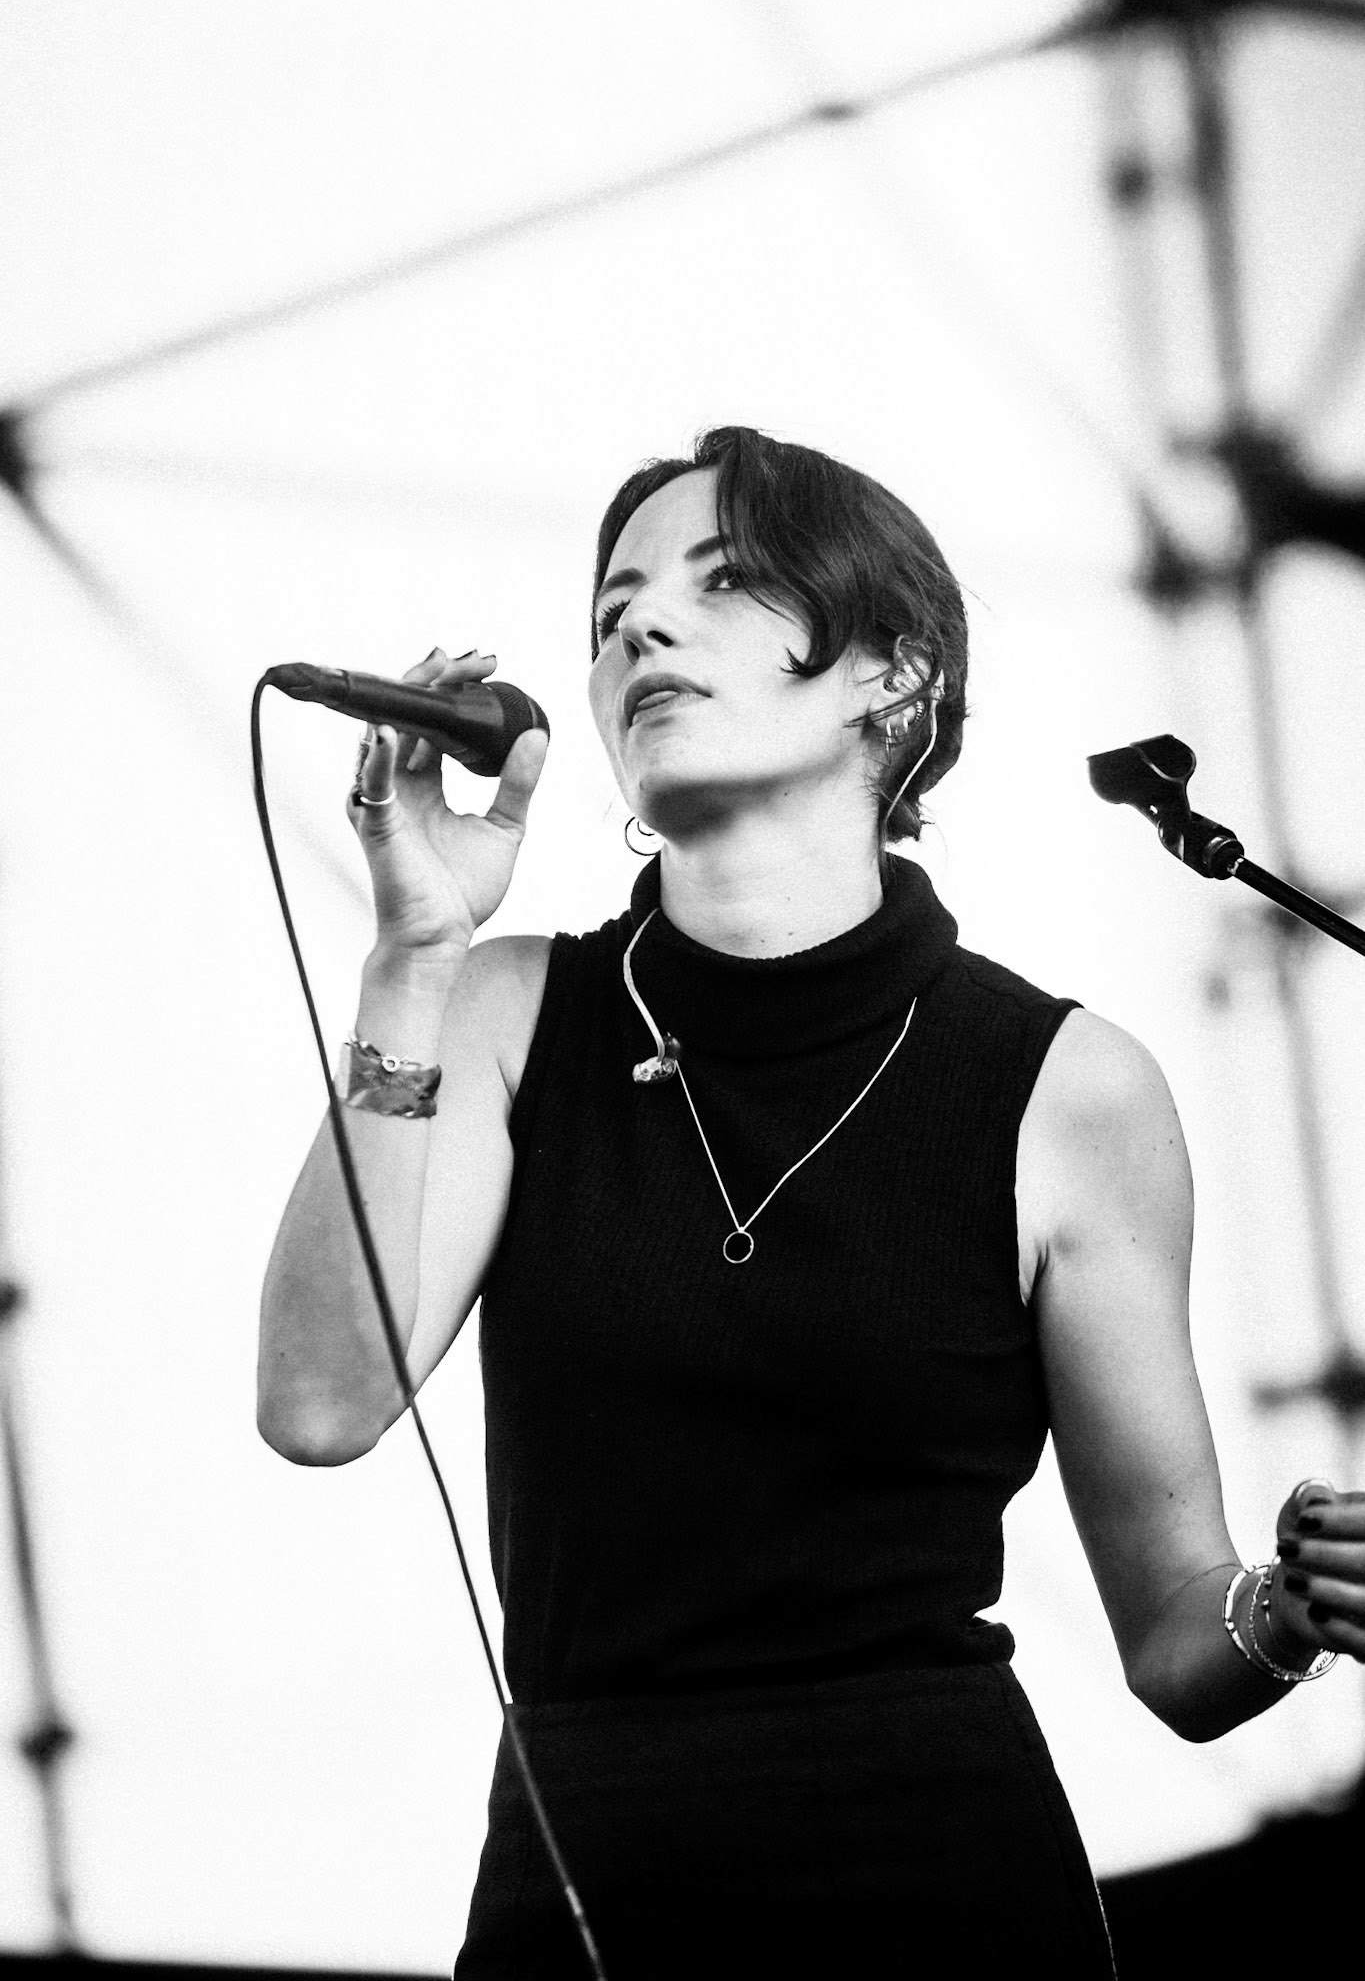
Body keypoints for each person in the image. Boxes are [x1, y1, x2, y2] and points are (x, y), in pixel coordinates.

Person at [258, 426, 1364, 1978]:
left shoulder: (1063, 1088)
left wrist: (1291, 1606)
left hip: (945, 1884)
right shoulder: (504, 1015)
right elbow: (320, 1401)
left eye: (720, 584)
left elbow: (1180, 1645)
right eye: (612, 608)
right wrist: (411, 959)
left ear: (890, 679)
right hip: (587, 1875)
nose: (638, 626)